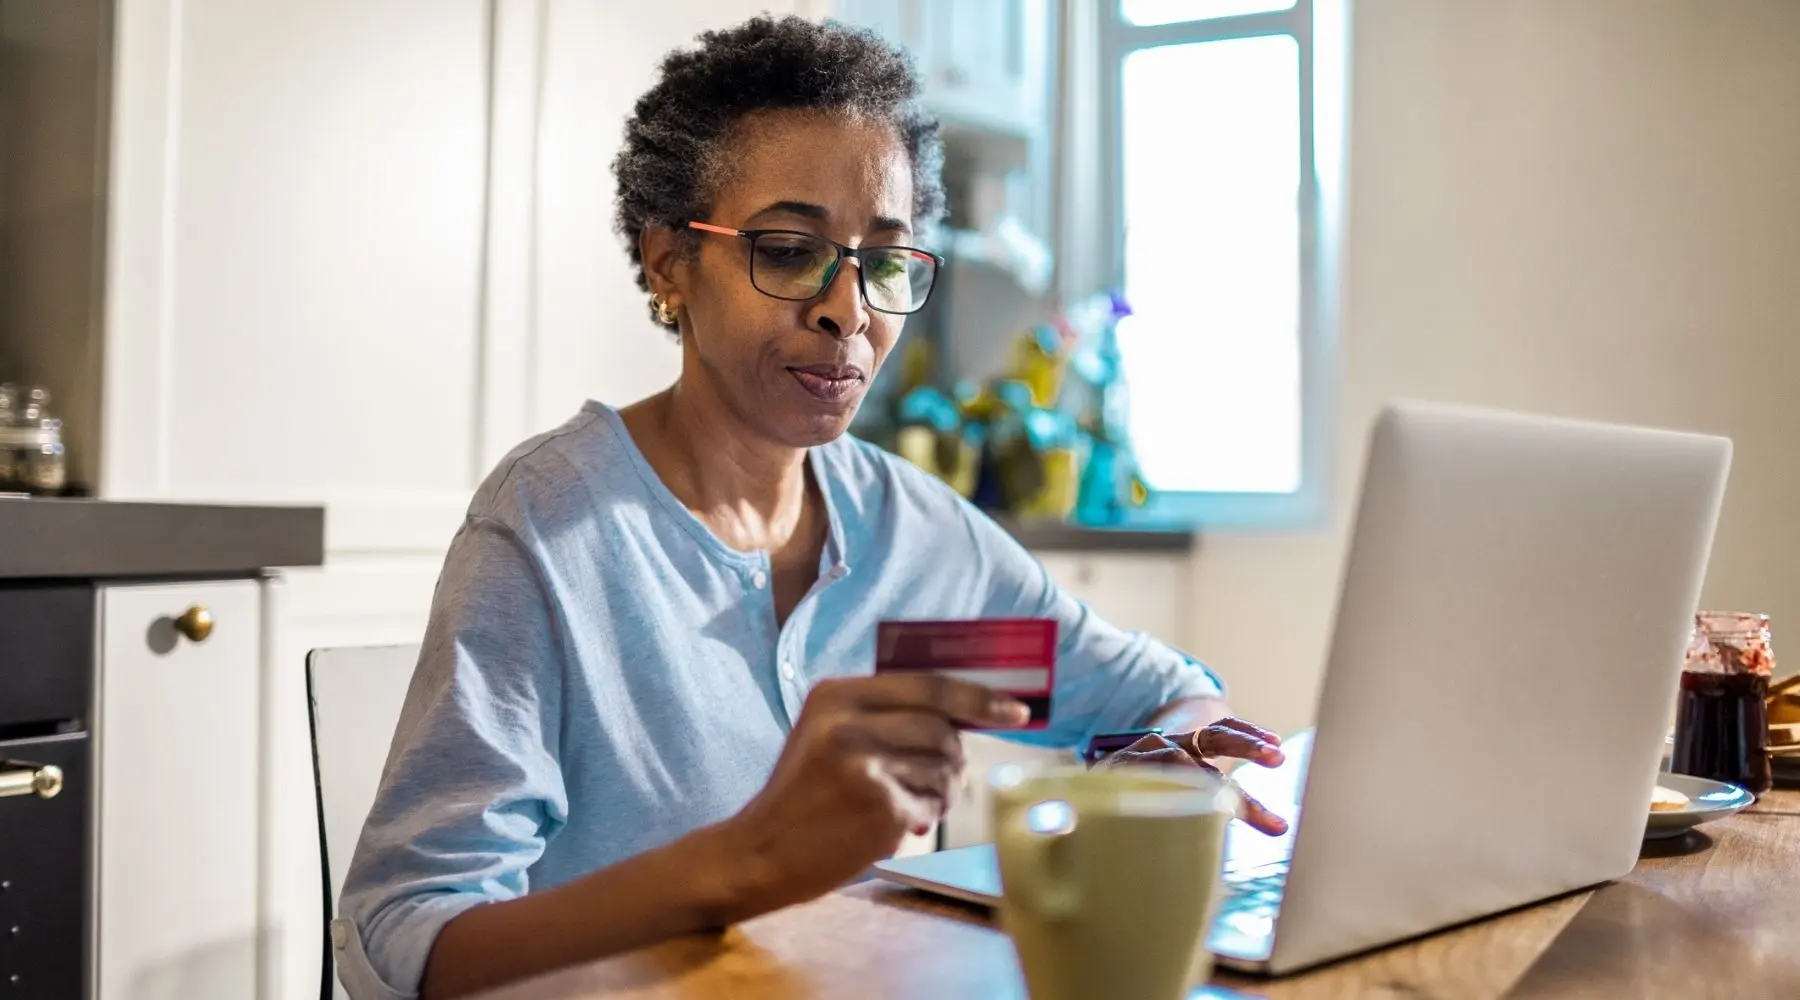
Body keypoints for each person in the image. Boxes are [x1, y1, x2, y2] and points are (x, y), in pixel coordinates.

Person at [334, 15, 1287, 1000]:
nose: (849, 311)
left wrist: (1187, 752)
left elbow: (1159, 699)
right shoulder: (553, 530)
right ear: (669, 263)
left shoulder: (918, 540)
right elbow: (406, 944)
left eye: (882, 259)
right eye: (789, 250)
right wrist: (747, 859)